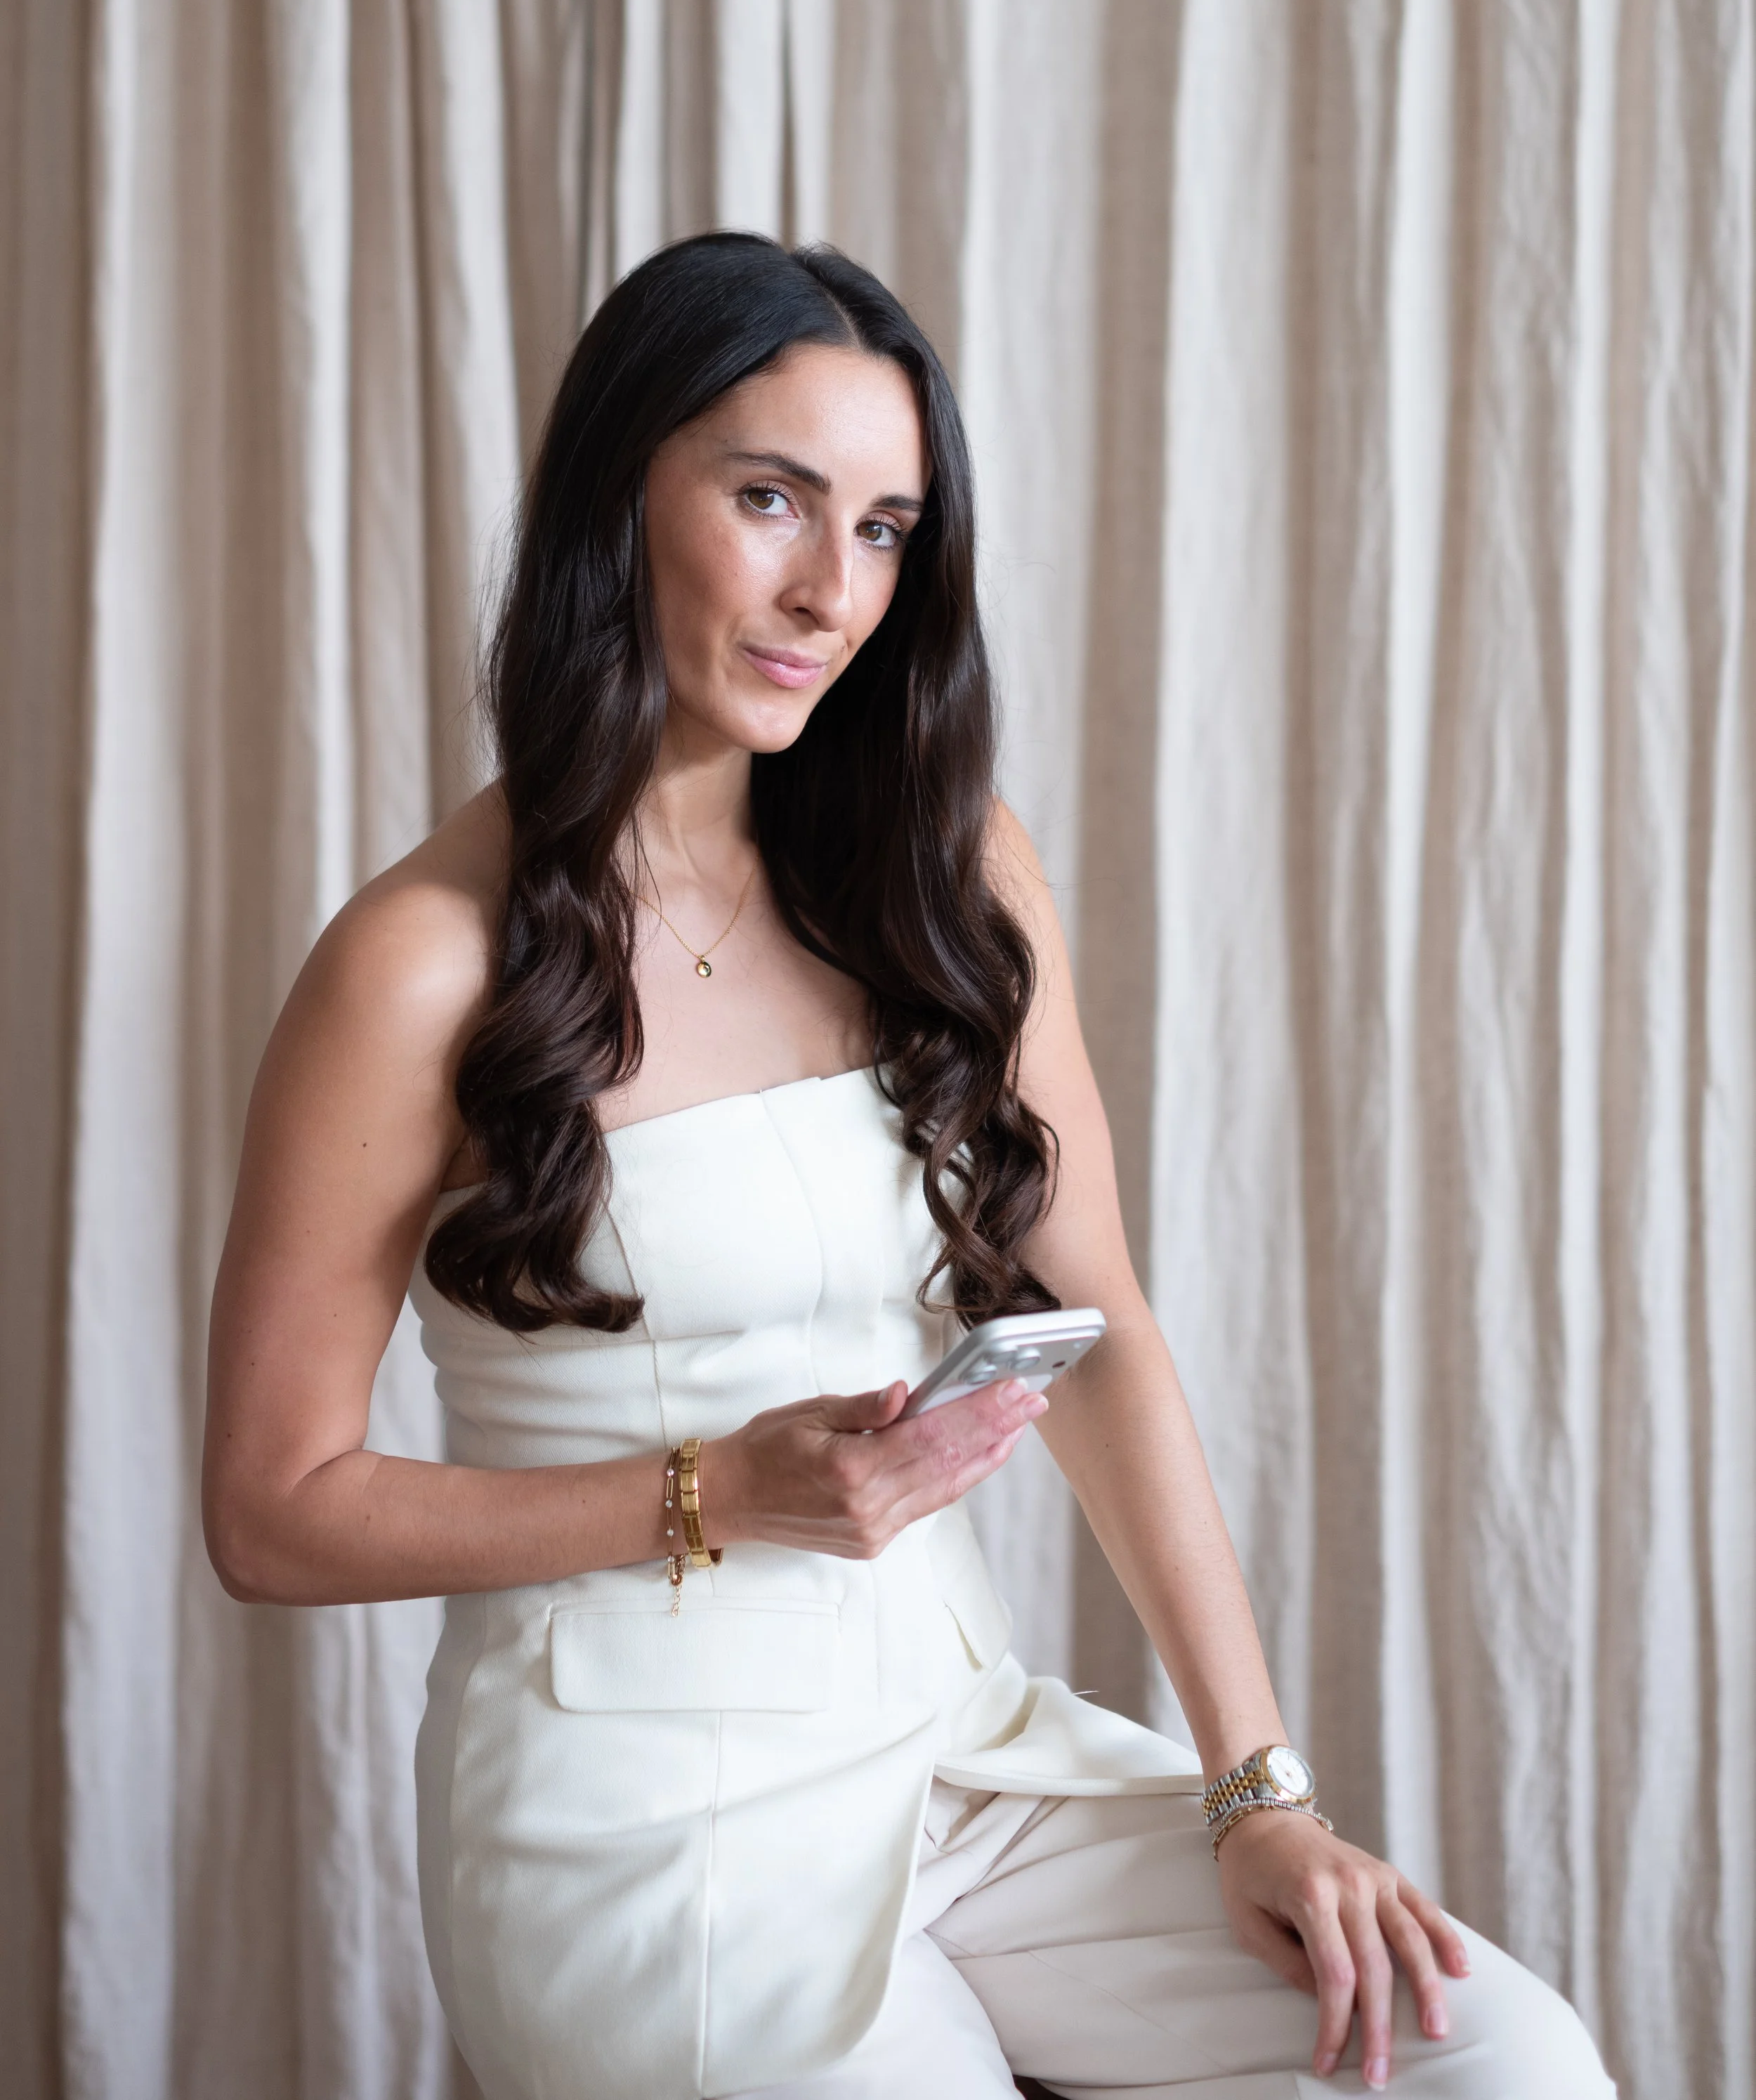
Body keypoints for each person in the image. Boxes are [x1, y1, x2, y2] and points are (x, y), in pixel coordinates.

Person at [203, 234, 1614, 2099]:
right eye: (769, 500)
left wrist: (1257, 1788)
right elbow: (273, 1510)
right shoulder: (418, 963)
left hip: (959, 1741)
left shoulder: (946, 872)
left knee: (1495, 2056)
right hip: (642, 1814)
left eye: (882, 530)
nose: (830, 590)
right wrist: (713, 1489)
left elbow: (1095, 1320)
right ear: (615, 494)